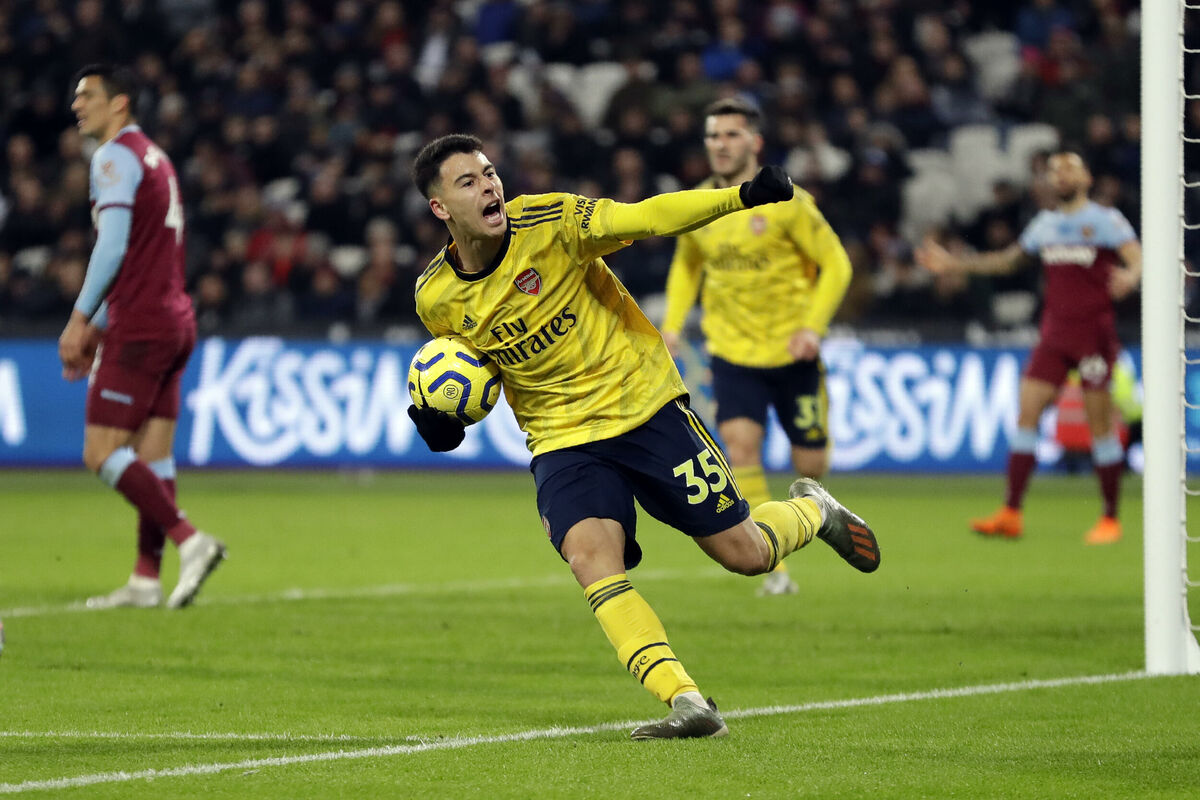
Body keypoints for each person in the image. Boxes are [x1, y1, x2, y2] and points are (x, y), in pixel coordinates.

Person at [407, 134, 881, 740]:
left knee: (746, 555)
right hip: (561, 437)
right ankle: (686, 700)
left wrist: (740, 196)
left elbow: (649, 216)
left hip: (645, 407)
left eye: (490, 173)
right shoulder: (436, 297)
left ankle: (814, 509)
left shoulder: (552, 223)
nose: (489, 186)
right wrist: (443, 420)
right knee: (590, 559)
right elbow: (475, 368)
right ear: (440, 207)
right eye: (468, 182)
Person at [662, 98, 853, 596]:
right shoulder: (698, 205)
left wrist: (812, 328)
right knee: (741, 447)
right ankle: (775, 566)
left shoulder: (789, 202)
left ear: (755, 142)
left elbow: (837, 264)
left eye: (732, 134)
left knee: (811, 465)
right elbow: (687, 264)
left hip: (793, 353)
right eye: (713, 135)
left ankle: (816, 510)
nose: (721, 144)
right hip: (732, 353)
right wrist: (672, 325)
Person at [58, 64, 226, 609]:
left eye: (88, 95)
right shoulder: (156, 157)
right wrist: (101, 322)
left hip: (142, 322)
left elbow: (113, 246)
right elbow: (149, 250)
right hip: (176, 318)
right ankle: (145, 578)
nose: (77, 105)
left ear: (119, 103)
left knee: (100, 452)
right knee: (154, 455)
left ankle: (190, 540)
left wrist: (81, 318)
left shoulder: (111, 157)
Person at [916, 150, 1141, 544]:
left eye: (1070, 168)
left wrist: (1132, 276)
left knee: (1100, 427)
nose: (1062, 175)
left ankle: (1110, 518)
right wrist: (955, 265)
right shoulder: (1045, 225)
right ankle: (1011, 513)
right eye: (1055, 170)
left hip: (1093, 335)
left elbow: (1136, 258)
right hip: (1054, 334)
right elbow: (1008, 261)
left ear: (1086, 178)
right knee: (1027, 417)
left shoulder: (1106, 221)